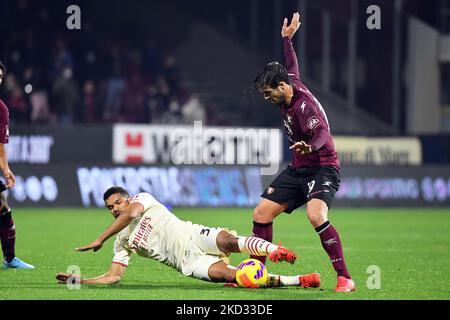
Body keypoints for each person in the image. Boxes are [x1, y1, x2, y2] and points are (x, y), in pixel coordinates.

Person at [250, 12, 355, 292]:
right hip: (299, 168)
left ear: (282, 86)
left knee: (316, 215)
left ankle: (345, 278)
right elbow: (292, 64)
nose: (266, 97)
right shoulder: (289, 83)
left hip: (323, 166)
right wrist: (287, 40)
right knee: (261, 213)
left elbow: (322, 133)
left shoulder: (304, 106)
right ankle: (255, 274)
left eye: (268, 92)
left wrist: (311, 146)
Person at [56, 186, 320, 288]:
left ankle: (274, 250)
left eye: (116, 203)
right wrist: (82, 280)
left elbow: (132, 213)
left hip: (193, 235)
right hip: (188, 263)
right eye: (109, 208)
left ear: (127, 198)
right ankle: (301, 281)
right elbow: (113, 276)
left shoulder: (141, 200)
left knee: (228, 240)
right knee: (236, 277)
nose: (114, 209)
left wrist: (99, 239)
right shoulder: (121, 240)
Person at [0, 61, 34, 269]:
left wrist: (5, 169)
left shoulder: (1, 109)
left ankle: (10, 259)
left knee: (2, 206)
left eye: (0, 76)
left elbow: (0, 145)